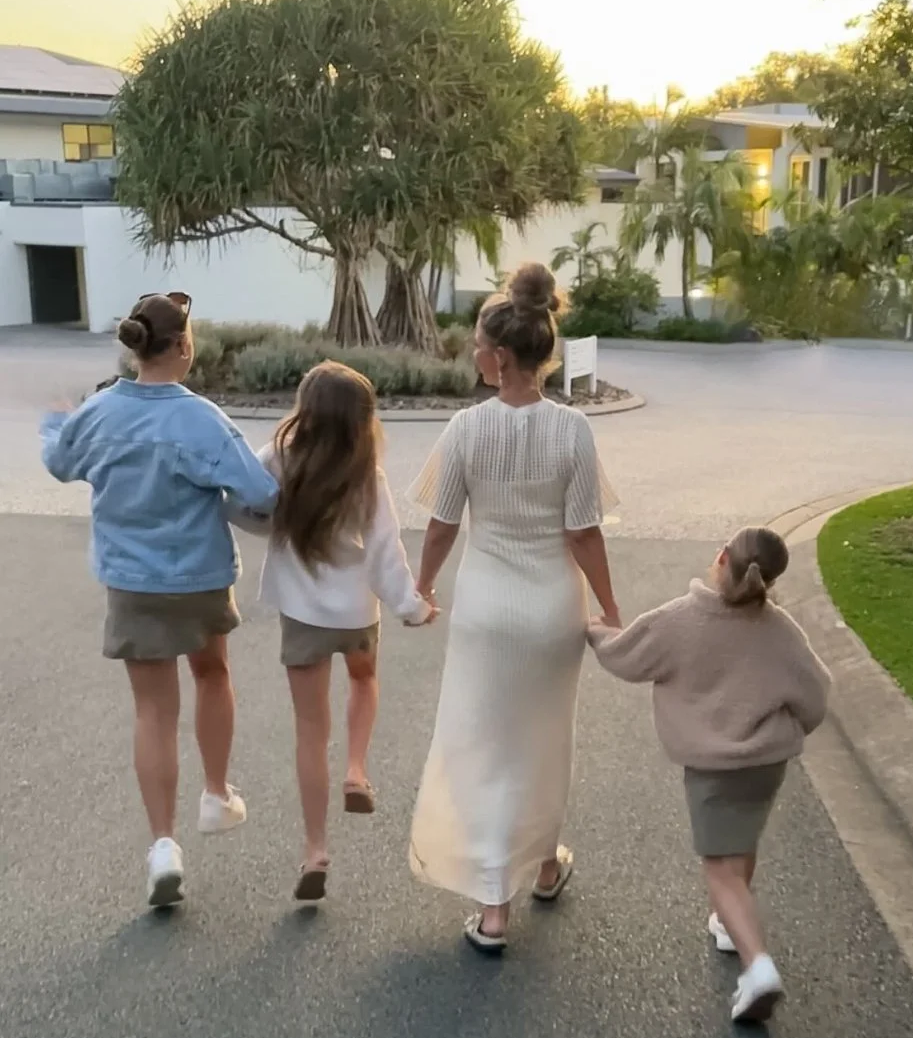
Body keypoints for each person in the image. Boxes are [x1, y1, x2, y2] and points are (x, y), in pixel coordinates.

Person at [40, 292, 279, 908]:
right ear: (184, 347)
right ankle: (217, 794)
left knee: (153, 711)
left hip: (132, 581)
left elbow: (61, 462)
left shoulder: (99, 412)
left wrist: (54, 420)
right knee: (213, 673)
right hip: (200, 576)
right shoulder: (202, 419)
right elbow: (261, 492)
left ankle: (164, 846)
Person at [407, 262, 620, 954]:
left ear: (499, 357)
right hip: (554, 609)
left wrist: (424, 585)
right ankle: (546, 866)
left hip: (487, 611)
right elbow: (584, 532)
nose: (472, 354)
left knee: (485, 745)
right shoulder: (573, 431)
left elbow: (442, 524)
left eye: (477, 346)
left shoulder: (466, 428)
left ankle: (494, 909)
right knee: (542, 742)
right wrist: (611, 609)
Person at [588, 527, 831, 1023]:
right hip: (767, 763)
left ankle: (757, 966)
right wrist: (793, 728)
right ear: (770, 580)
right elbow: (817, 692)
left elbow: (626, 655)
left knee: (720, 869)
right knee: (742, 838)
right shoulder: (780, 629)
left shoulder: (681, 619)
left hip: (713, 767)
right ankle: (727, 925)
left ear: (721, 557)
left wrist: (594, 631)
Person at [228, 362, 434, 902]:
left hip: (303, 615)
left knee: (309, 731)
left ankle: (316, 849)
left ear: (307, 411)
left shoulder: (278, 458)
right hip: (357, 612)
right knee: (364, 680)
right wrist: (413, 607)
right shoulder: (369, 476)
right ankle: (357, 771)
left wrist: (273, 520)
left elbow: (242, 507)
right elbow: (387, 555)